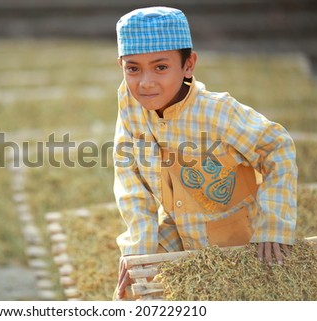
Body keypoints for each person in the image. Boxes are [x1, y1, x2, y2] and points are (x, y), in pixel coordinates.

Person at [113, 7, 297, 300]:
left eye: (160, 67)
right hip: (178, 228)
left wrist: (274, 225)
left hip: (237, 232)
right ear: (121, 65)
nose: (145, 82)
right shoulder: (131, 110)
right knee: (135, 288)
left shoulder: (217, 111)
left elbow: (277, 147)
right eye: (133, 68)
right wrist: (139, 251)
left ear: (189, 65)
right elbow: (130, 179)